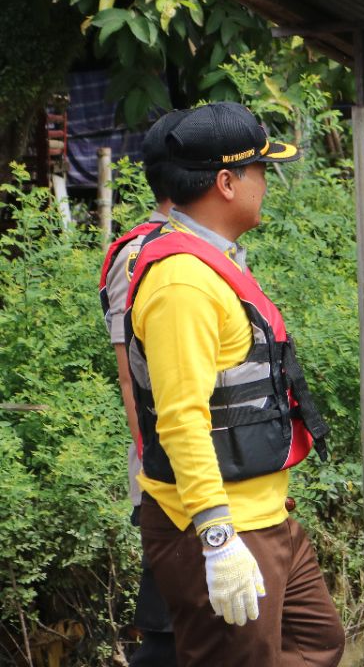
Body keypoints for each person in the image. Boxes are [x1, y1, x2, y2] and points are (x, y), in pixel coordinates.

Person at [124, 101, 342, 666]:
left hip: (267, 516)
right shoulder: (183, 283)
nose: (266, 183)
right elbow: (180, 419)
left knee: (317, 643)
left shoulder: (216, 262)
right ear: (226, 181)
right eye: (260, 170)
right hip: (219, 528)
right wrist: (218, 540)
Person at [98, 109, 187, 665]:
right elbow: (133, 376)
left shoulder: (201, 245)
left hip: (209, 471)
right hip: (171, 475)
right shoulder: (142, 253)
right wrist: (160, 473)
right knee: (168, 632)